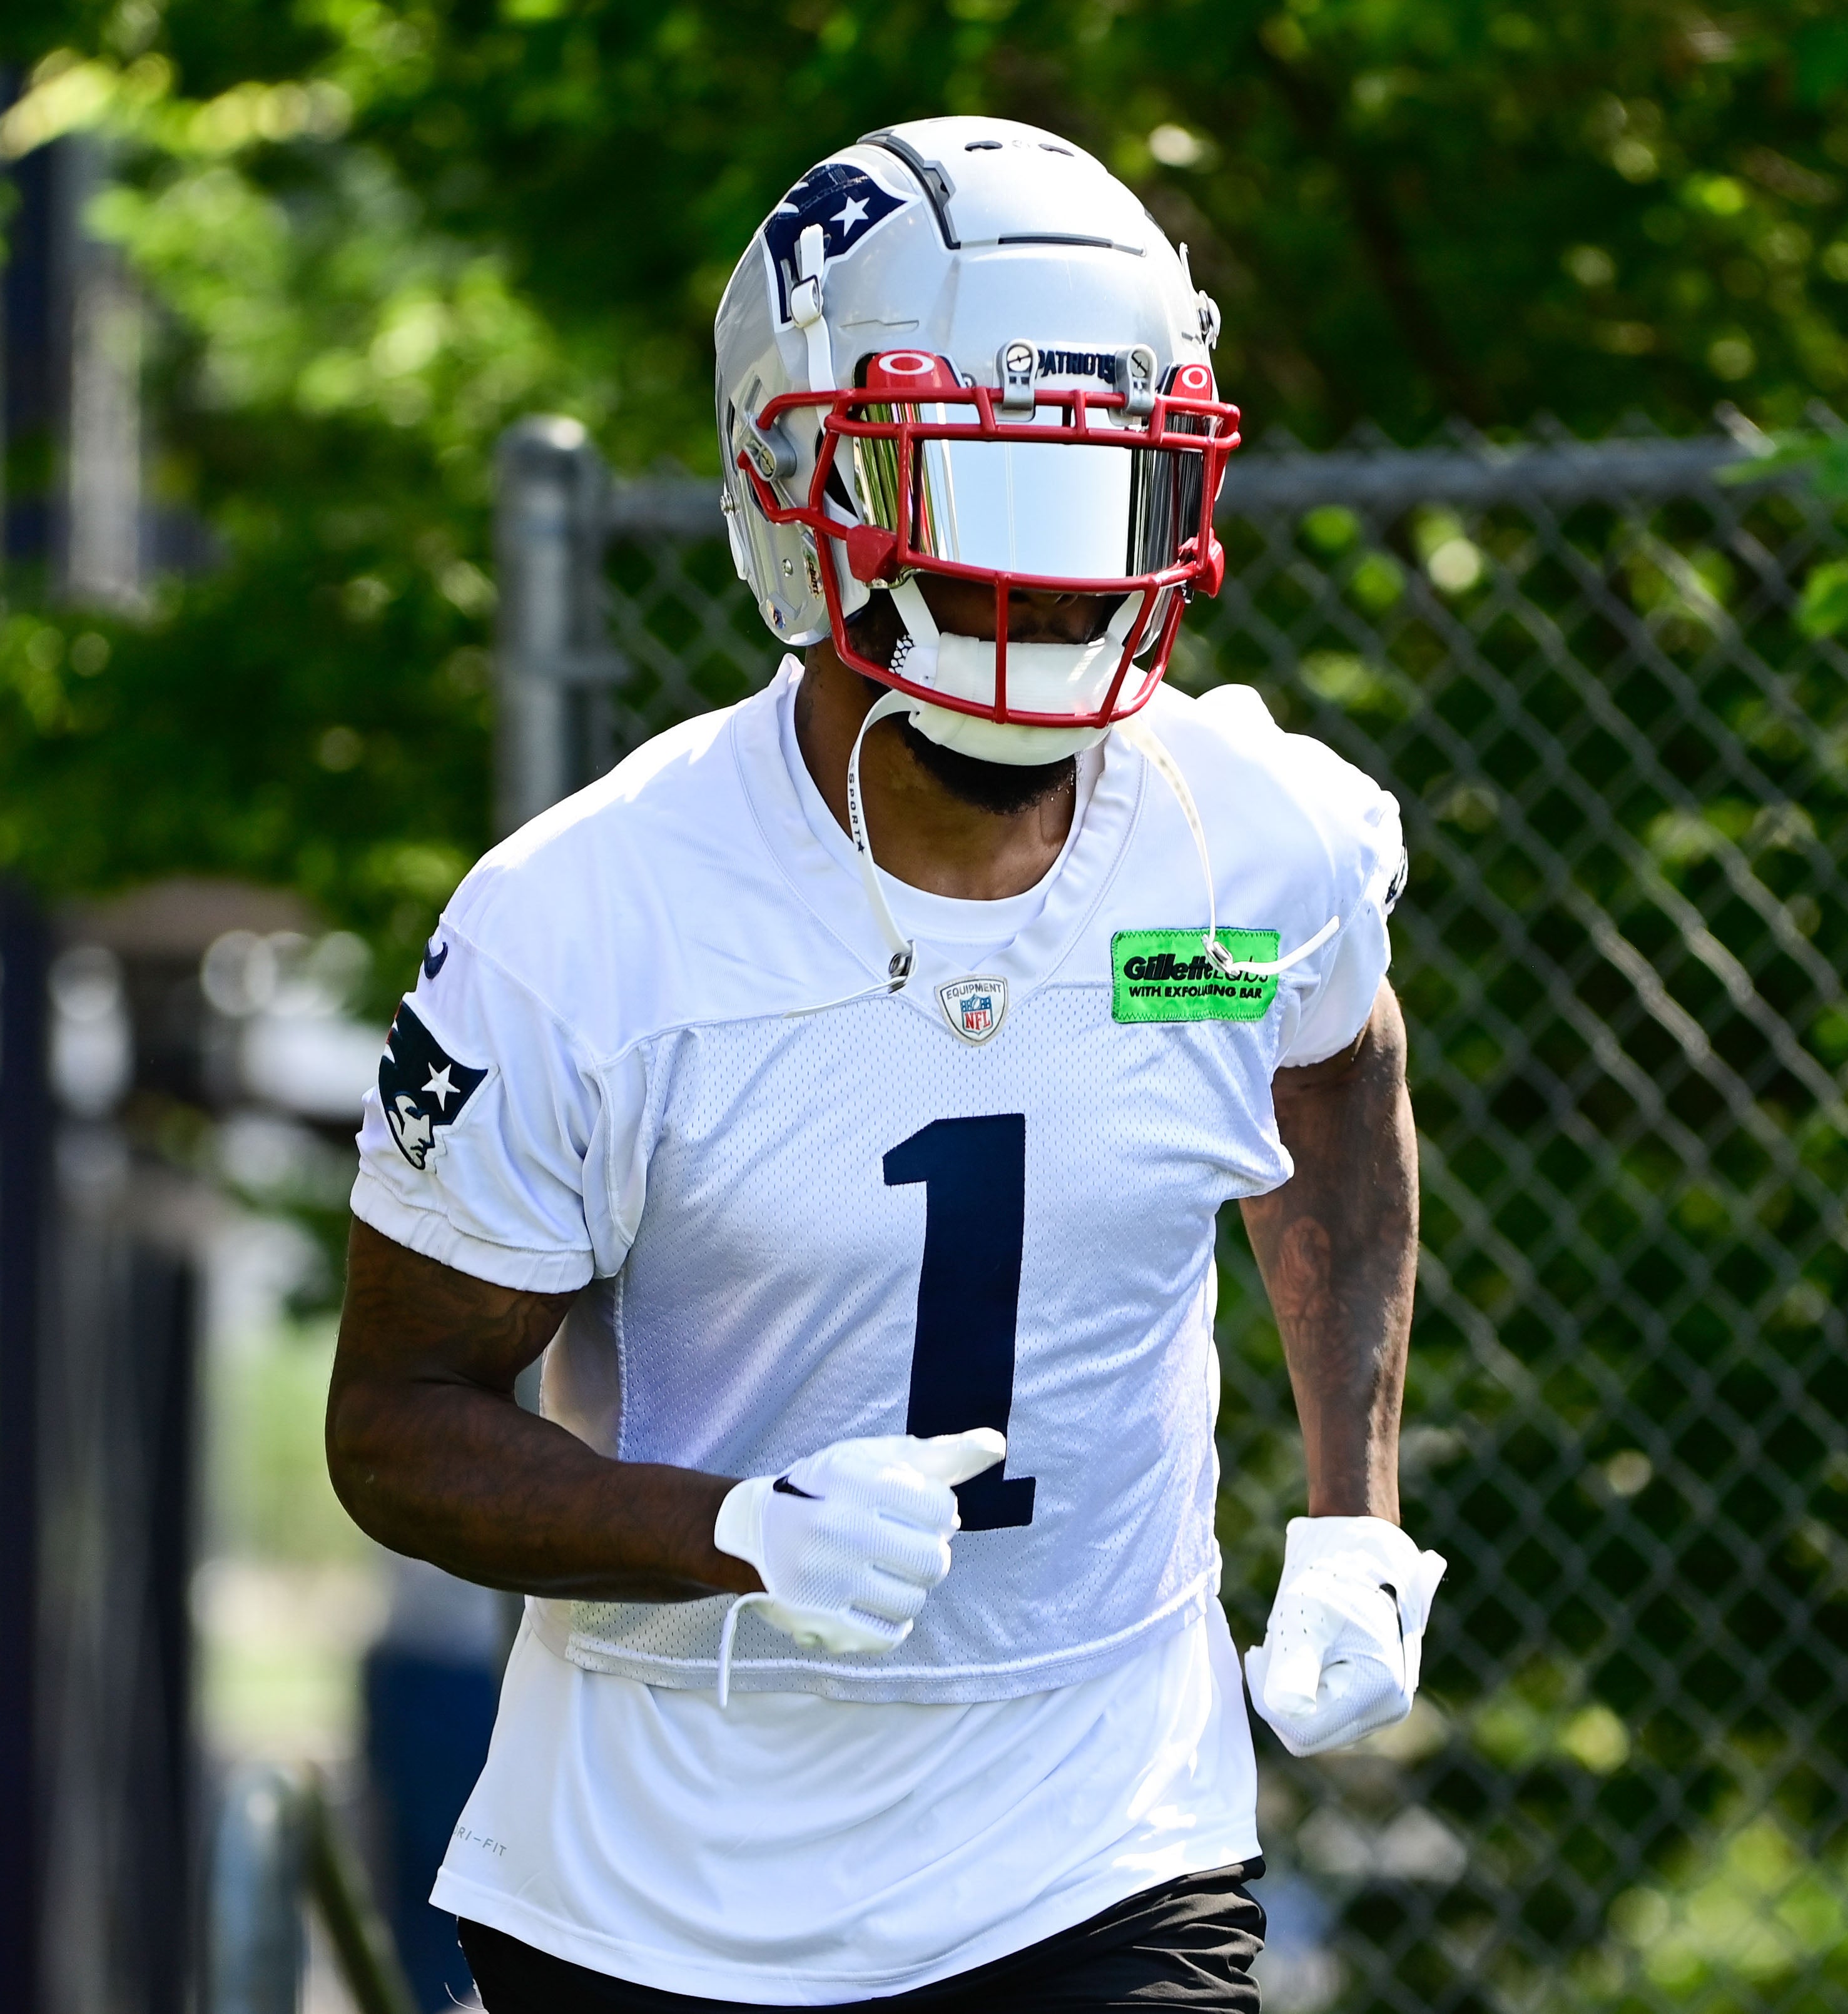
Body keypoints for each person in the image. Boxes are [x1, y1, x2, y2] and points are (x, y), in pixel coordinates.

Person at [325, 114, 1446, 2012]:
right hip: (661, 1885)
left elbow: (1334, 1082)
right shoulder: (585, 926)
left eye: (1105, 499)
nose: (1055, 582)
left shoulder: (1259, 842)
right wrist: (727, 1526)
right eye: (984, 498)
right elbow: (396, 1422)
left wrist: (1356, 1504)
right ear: (792, 470)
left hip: (1101, 1838)